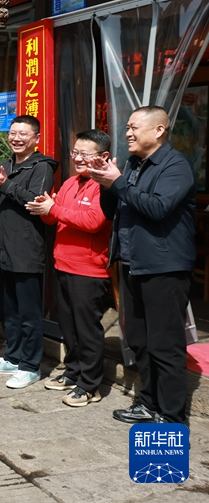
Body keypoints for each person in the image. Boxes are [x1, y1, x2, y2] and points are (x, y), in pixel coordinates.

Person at [88, 106, 195, 424]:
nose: (128, 133)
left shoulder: (176, 165)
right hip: (133, 264)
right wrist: (104, 182)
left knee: (165, 344)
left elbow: (159, 207)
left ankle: (172, 416)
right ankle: (148, 403)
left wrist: (117, 182)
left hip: (164, 267)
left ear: (159, 130)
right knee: (139, 340)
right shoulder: (134, 164)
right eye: (127, 128)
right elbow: (115, 209)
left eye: (135, 127)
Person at [26, 129, 113, 407]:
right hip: (62, 263)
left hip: (89, 269)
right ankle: (73, 371)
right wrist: (45, 208)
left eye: (84, 154)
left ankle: (90, 385)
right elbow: (55, 219)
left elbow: (93, 221)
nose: (76, 158)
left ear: (103, 157)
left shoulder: (105, 185)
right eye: (74, 152)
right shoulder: (69, 182)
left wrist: (54, 209)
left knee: (87, 330)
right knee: (69, 327)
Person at [0, 115, 58, 389]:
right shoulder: (5, 165)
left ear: (36, 138)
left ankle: (30, 365)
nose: (16, 138)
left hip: (26, 248)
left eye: (23, 134)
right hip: (2, 246)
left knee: (28, 311)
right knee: (9, 308)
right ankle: (12, 357)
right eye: (13, 133)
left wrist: (3, 185)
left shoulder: (43, 165)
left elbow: (35, 200)